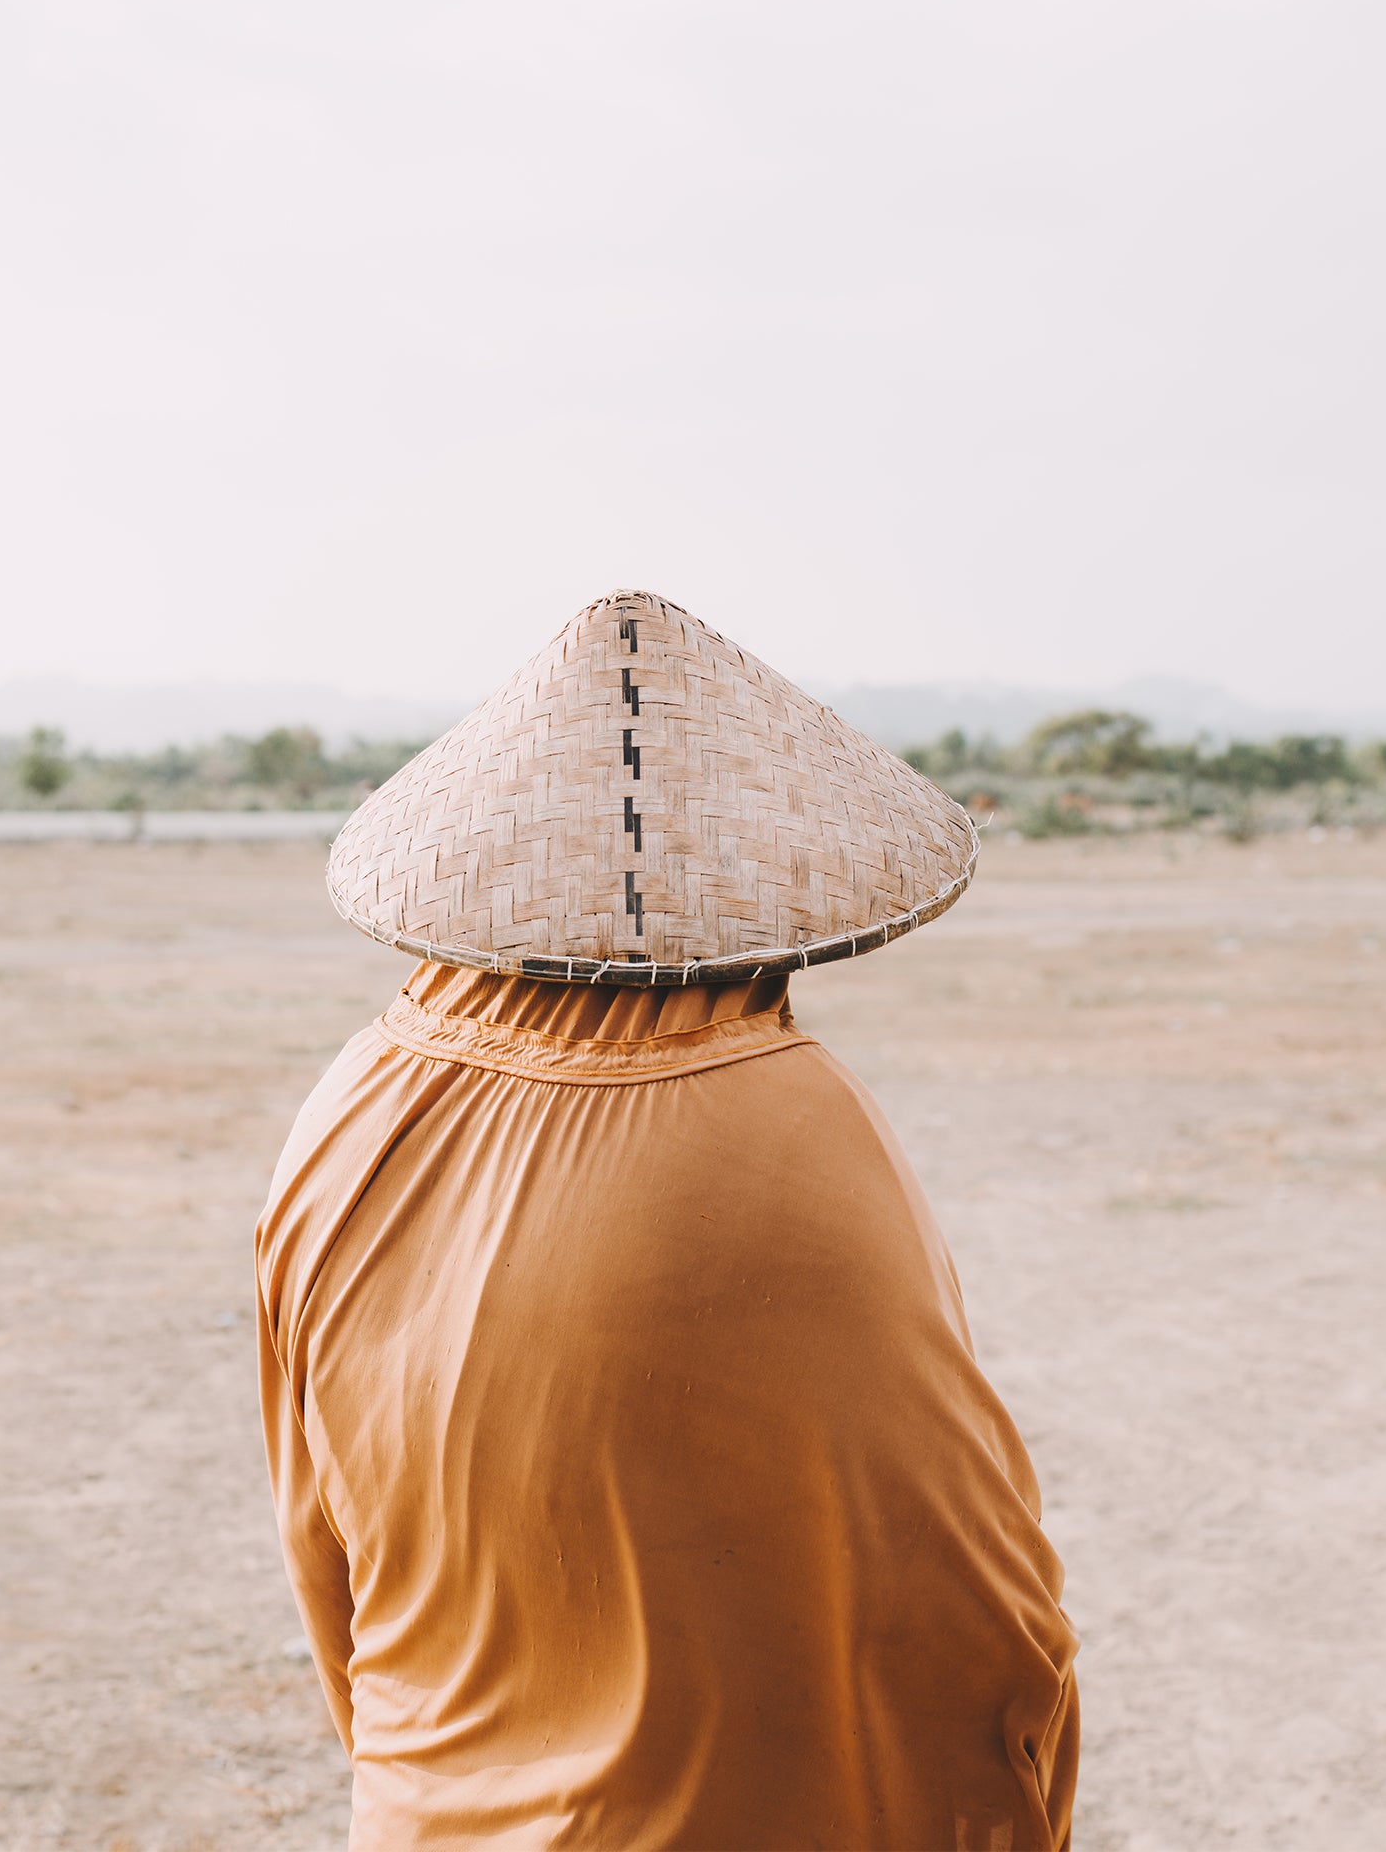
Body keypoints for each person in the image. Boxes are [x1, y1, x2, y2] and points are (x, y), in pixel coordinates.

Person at [255, 589, 1079, 1849]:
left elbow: (324, 1543)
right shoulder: (791, 1124)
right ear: (777, 908)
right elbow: (970, 1596)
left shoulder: (346, 1105)